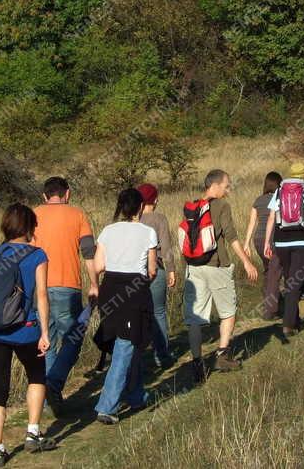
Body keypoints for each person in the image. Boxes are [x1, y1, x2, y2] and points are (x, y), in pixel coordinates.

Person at [0, 203, 56, 466]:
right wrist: (45, 332)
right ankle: (33, 433)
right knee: (36, 375)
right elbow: (42, 296)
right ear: (29, 227)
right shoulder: (37, 255)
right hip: (25, 329)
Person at [182, 169, 259, 383]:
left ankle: (197, 363)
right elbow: (231, 235)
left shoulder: (192, 206)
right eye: (226, 185)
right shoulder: (222, 205)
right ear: (215, 185)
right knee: (228, 312)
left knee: (195, 318)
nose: (228, 189)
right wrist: (246, 261)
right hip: (217, 266)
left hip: (193, 267)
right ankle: (222, 355)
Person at [32, 177, 98, 414]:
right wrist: (94, 283)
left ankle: (50, 399)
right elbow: (89, 252)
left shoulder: (33, 215)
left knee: (45, 341)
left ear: (44, 196)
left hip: (37, 287)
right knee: (73, 338)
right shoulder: (78, 215)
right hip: (68, 285)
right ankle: (55, 382)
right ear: (67, 194)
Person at [92, 188, 158, 425]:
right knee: (126, 345)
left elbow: (98, 265)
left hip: (109, 288)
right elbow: (151, 271)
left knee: (132, 342)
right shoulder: (148, 232)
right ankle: (106, 406)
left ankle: (136, 395)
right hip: (134, 290)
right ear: (140, 207)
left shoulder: (107, 231)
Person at [263, 162, 304, 337]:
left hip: (281, 243)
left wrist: (267, 241)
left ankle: (294, 319)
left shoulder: (280, 191)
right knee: (295, 283)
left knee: (290, 280)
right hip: (302, 243)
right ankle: (288, 324)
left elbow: (272, 217)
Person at [136, 183, 177, 369]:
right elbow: (167, 248)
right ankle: (162, 355)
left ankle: (137, 357)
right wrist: (171, 269)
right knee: (158, 311)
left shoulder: (133, 220)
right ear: (155, 200)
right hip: (157, 268)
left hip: (134, 271)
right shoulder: (160, 218)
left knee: (138, 314)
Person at [244, 171, 283, 320]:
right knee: (275, 273)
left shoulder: (258, 200)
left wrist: (246, 243)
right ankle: (270, 310)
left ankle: (271, 303)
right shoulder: (279, 199)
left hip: (258, 240)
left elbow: (252, 223)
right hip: (272, 239)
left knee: (268, 271)